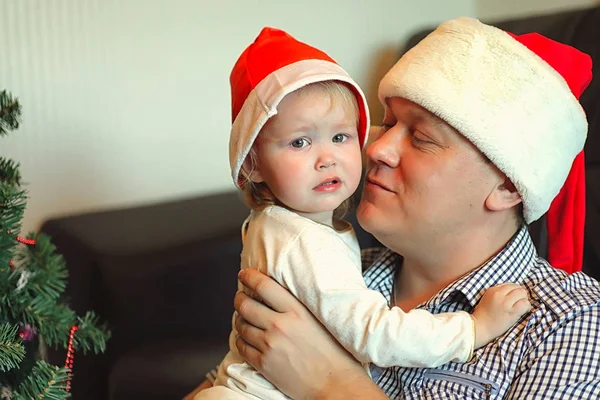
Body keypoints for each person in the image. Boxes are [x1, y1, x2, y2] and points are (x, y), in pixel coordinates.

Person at [227, 17, 600, 399]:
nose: (376, 149)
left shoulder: (568, 321)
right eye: (386, 125)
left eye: (420, 138)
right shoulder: (332, 270)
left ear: (506, 185)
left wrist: (330, 384)